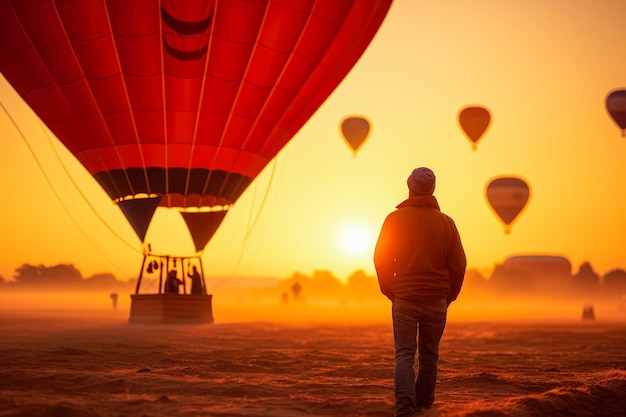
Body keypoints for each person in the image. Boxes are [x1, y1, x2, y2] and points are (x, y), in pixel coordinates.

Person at [373, 167, 466, 417]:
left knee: (404, 354)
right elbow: (458, 265)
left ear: (410, 188)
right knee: (429, 357)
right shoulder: (447, 223)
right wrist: (449, 296)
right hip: (436, 300)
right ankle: (424, 407)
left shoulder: (394, 220)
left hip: (404, 298)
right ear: (432, 190)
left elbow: (380, 258)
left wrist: (389, 290)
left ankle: (404, 410)